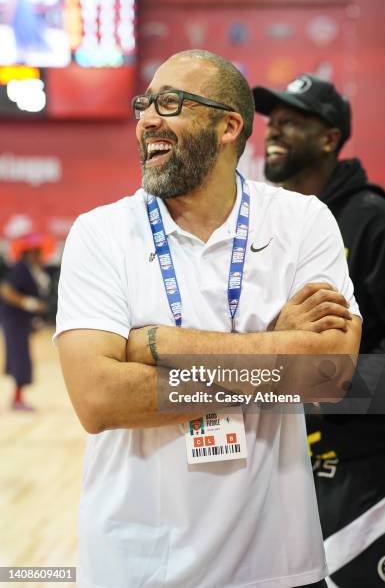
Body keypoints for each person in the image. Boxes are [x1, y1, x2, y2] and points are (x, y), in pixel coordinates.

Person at [55, 50, 361, 588]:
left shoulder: (303, 220)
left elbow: (328, 373)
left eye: (170, 103)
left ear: (228, 126)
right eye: (143, 104)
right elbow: (99, 398)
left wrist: (160, 344)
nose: (148, 118)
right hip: (136, 563)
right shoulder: (99, 233)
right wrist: (277, 347)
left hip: (279, 560)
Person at [253, 74, 385, 587]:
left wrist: (323, 391)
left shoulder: (375, 223)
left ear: (329, 138)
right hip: (294, 464)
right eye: (272, 123)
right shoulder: (273, 229)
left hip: (369, 473)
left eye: (291, 123)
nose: (273, 132)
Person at [0, 234, 49, 410]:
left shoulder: (33, 270)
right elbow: (5, 291)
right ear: (27, 253)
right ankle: (17, 400)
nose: (39, 255)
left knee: (21, 356)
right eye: (36, 252)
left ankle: (17, 397)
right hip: (13, 320)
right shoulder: (20, 268)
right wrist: (29, 303)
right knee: (20, 357)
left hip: (21, 321)